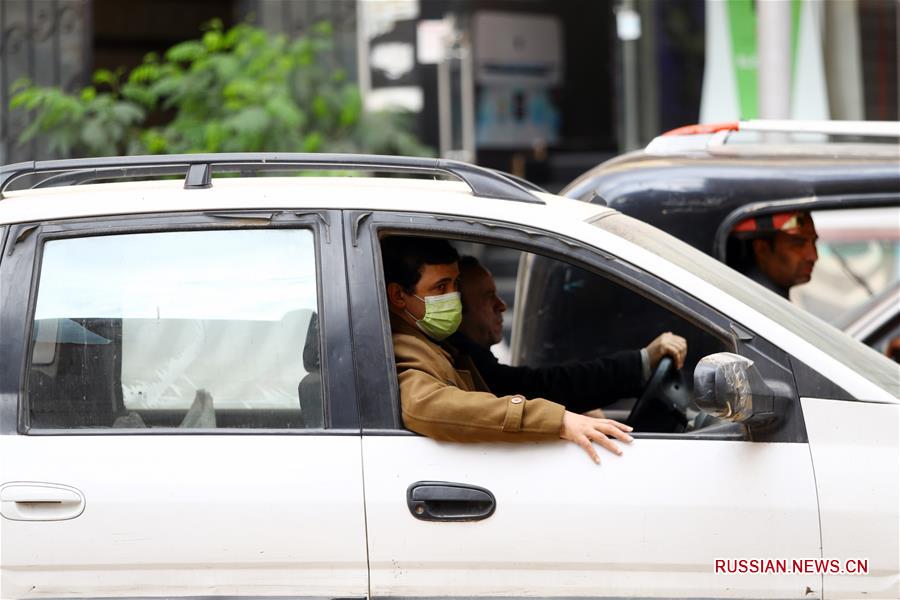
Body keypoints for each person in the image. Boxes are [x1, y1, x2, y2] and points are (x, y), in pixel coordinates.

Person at [451, 255, 687, 412]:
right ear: (456, 310)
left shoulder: (473, 363)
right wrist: (641, 361)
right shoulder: (461, 365)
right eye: (487, 297)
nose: (501, 305)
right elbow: (543, 388)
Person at [729, 211, 819, 299]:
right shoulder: (751, 302)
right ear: (762, 248)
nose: (814, 256)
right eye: (798, 243)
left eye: (814, 242)